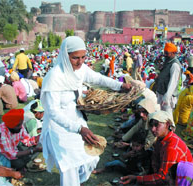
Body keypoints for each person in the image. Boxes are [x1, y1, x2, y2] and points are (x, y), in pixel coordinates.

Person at [40, 36, 131, 186]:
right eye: (75, 58)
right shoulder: (54, 77)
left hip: (77, 121)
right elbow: (53, 112)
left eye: (83, 57)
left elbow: (98, 78)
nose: (80, 61)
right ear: (65, 55)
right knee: (70, 166)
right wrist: (78, 128)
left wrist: (119, 86)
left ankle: (79, 182)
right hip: (59, 128)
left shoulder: (80, 69)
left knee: (90, 157)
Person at [120, 110, 193, 185]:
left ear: (167, 124)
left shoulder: (171, 148)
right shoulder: (161, 139)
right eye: (151, 125)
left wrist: (137, 178)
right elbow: (155, 158)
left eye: (156, 125)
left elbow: (163, 177)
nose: (153, 129)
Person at [153, 42, 182, 114]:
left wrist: (167, 97)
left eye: (167, 53)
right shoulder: (167, 62)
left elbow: (173, 82)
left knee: (168, 117)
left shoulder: (175, 65)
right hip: (161, 93)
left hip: (168, 97)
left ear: (173, 53)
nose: (165, 55)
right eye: (165, 52)